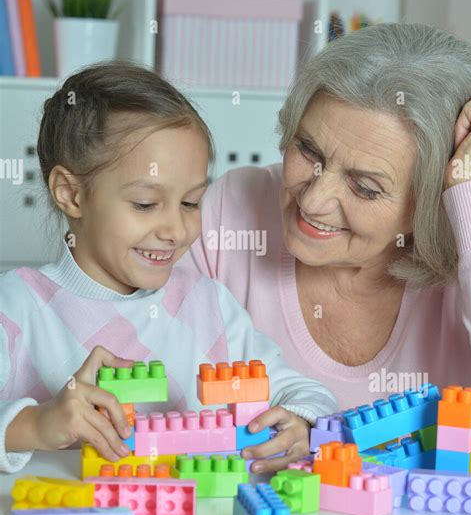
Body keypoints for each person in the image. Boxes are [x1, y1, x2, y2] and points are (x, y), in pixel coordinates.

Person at [0, 62, 337, 474]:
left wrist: (300, 420)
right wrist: (34, 424)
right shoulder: (16, 309)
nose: (176, 229)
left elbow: (304, 392)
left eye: (191, 202)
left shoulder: (209, 305)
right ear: (70, 193)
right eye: (145, 204)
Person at [181, 23, 471, 472]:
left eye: (364, 186)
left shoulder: (461, 244)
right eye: (308, 151)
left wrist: (467, 200)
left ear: (433, 200)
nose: (313, 200)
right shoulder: (231, 211)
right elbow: (160, 389)